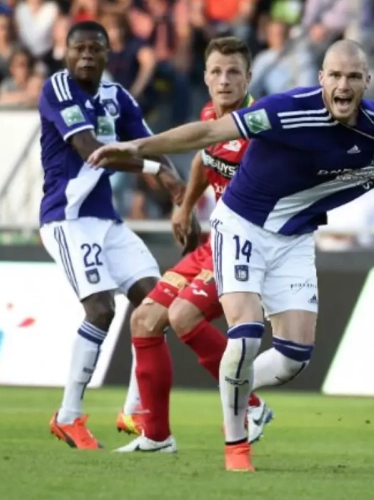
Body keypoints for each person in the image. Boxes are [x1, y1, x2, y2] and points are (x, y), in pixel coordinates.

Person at [87, 39, 374, 471]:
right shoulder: (286, 110)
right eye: (335, 76)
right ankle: (235, 447)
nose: (343, 85)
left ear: (367, 81)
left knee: (292, 359)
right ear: (321, 78)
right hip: (242, 224)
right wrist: (138, 148)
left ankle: (236, 388)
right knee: (244, 333)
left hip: (295, 239)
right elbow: (208, 136)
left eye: (353, 77)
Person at [115, 36, 271, 453]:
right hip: (214, 242)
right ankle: (156, 436)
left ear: (248, 78)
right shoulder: (208, 117)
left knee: (183, 315)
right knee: (144, 319)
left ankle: (251, 404)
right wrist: (184, 206)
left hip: (246, 247)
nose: (224, 80)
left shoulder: (260, 130)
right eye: (216, 72)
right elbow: (204, 156)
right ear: (205, 77)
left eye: (233, 72)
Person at [38, 21, 187, 449]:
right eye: (79, 48)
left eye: (95, 49)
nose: (86, 56)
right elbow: (92, 152)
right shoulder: (58, 89)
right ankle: (68, 416)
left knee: (157, 304)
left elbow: (149, 145)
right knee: (101, 310)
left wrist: (182, 196)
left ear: (108, 54)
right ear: (66, 52)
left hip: (107, 221)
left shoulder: (117, 96)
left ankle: (133, 410)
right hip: (67, 219)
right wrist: (159, 173)